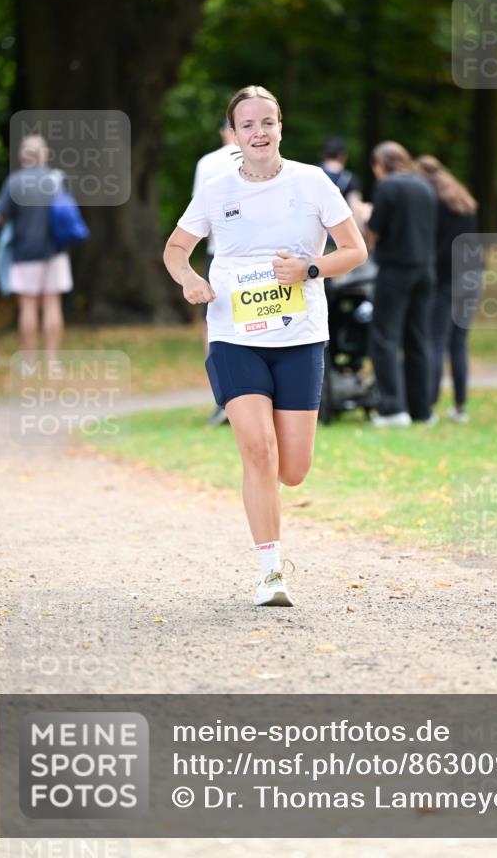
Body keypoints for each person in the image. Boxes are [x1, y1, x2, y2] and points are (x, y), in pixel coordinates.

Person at [163, 85, 367, 607]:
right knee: (258, 450)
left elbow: (354, 250)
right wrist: (189, 280)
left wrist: (309, 268)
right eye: (247, 124)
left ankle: (270, 510)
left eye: (268, 122)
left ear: (281, 127)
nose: (259, 133)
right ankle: (271, 572)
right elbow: (176, 249)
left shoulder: (313, 181)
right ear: (233, 133)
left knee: (292, 469)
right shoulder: (215, 188)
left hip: (300, 337)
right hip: (234, 336)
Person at [366, 141, 437, 427]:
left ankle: (393, 408)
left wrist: (363, 218)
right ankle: (422, 409)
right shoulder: (425, 186)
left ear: (380, 164)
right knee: (418, 339)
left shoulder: (387, 187)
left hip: (395, 269)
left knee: (385, 337)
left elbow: (374, 231)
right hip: (425, 270)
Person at [0, 135, 73, 374]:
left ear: (22, 157)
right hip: (55, 251)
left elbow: (0, 218)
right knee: (52, 304)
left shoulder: (14, 182)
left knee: (28, 306)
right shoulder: (56, 180)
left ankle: (29, 363)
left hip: (24, 252)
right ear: (45, 156)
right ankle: (52, 363)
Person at [418, 155, 482, 424]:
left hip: (446, 280)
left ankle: (429, 405)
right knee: (458, 344)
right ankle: (459, 406)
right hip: (474, 275)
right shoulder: (463, 198)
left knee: (436, 342)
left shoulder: (433, 201)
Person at [191, 121, 242, 426]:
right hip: (254, 255)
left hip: (219, 254)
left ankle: (222, 395)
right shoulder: (264, 159)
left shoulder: (208, 163)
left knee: (214, 325)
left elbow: (201, 214)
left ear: (224, 130)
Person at [319, 136, 372, 234]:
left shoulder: (311, 173)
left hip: (314, 238)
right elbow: (355, 210)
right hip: (338, 239)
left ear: (323, 154)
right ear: (343, 156)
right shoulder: (350, 179)